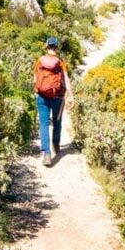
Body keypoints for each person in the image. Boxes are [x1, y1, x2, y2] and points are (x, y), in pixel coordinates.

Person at [32, 37, 72, 166]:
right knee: (57, 122)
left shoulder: (39, 61)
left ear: (46, 46)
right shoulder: (61, 62)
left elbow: (34, 79)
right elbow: (66, 80)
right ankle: (56, 143)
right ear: (56, 47)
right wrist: (71, 95)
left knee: (43, 125)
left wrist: (37, 92)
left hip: (42, 97)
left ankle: (47, 154)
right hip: (58, 98)